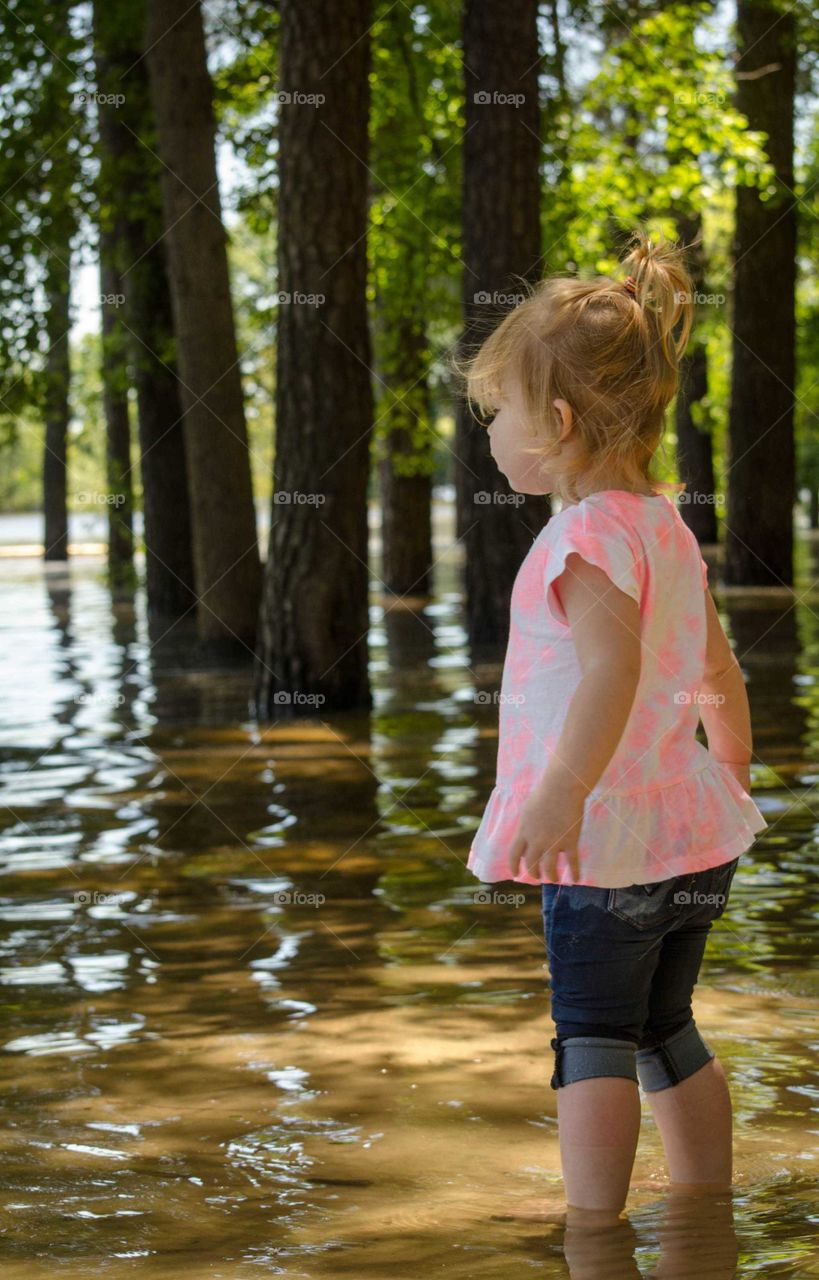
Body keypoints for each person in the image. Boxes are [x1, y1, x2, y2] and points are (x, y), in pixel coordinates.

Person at [457, 229, 768, 1221]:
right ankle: (703, 1209)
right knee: (668, 1027)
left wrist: (559, 792)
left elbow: (614, 667)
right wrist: (738, 768)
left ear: (553, 421)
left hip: (610, 846)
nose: (489, 431)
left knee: (590, 1033)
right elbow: (715, 667)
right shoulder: (667, 527)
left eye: (495, 412)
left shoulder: (584, 536)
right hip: (691, 836)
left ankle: (593, 1232)